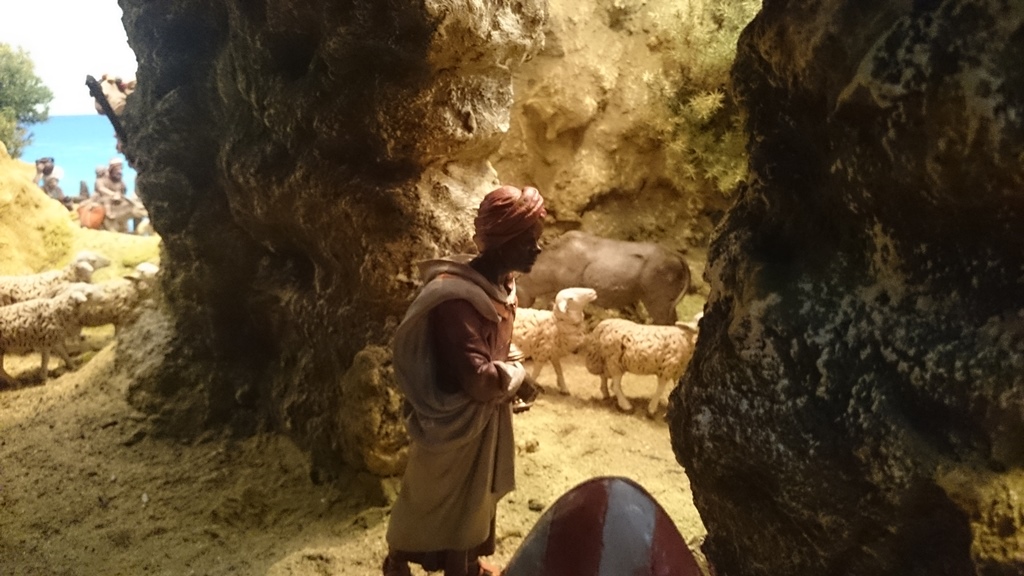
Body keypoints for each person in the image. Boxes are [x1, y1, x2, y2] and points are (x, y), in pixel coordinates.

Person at [384, 185, 547, 576]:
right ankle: (397, 563)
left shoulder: (502, 287)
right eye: (527, 241)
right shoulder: (457, 298)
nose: (537, 249)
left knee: (476, 497)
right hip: (453, 418)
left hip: (484, 416)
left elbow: (495, 347)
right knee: (429, 498)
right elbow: (477, 378)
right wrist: (518, 376)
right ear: (502, 243)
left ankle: (465, 563)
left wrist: (511, 364)